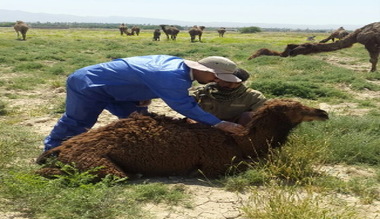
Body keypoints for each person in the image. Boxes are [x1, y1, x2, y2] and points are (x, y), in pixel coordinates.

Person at [43, 55, 248, 151]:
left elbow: (140, 73)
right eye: (216, 77)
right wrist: (219, 124)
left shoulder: (178, 68)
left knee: (138, 121)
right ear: (206, 70)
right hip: (90, 84)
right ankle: (51, 152)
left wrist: (143, 92)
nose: (216, 82)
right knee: (78, 122)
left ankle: (133, 154)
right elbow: (184, 106)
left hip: (120, 90)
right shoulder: (172, 75)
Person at [190, 67, 266, 123]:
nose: (231, 86)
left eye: (237, 83)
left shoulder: (253, 97)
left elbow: (263, 117)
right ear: (218, 78)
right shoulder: (203, 92)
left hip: (236, 130)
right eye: (228, 82)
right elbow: (184, 104)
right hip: (205, 126)